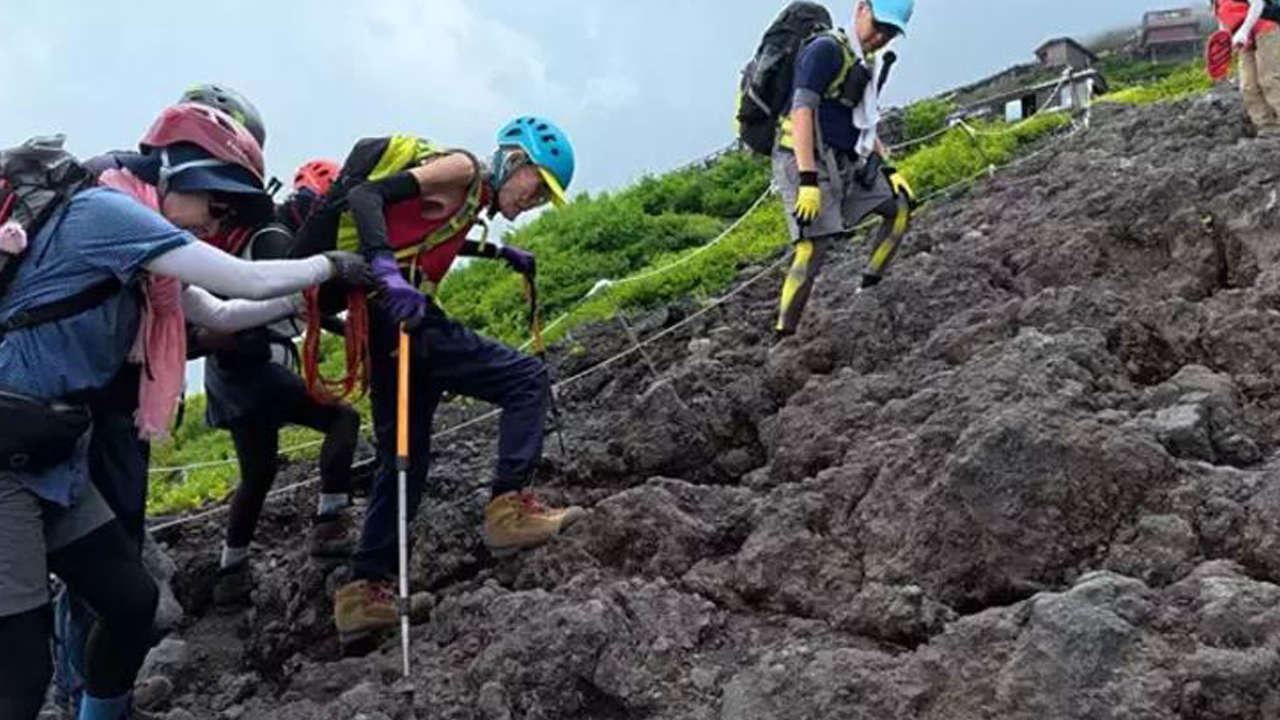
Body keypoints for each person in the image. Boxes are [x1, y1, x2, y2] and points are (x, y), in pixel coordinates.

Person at [0, 119, 372, 720]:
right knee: (20, 672)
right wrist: (329, 265)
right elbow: (244, 277)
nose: (217, 222)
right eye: (215, 202)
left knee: (130, 601)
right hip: (6, 466)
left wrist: (319, 294)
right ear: (180, 175)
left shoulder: (146, 265)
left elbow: (226, 310)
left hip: (52, 457)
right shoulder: (107, 215)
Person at [288, 117, 586, 645]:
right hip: (401, 312)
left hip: (384, 320)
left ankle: (362, 593)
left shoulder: (470, 203)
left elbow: (421, 233)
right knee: (525, 379)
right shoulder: (465, 169)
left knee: (404, 457)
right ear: (515, 161)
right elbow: (366, 197)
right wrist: (383, 268)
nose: (534, 200)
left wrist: (501, 254)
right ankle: (509, 508)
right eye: (536, 185)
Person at [202, 161, 361, 607]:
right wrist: (343, 325)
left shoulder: (252, 234)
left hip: (228, 370)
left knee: (258, 473)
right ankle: (331, 523)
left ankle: (231, 572)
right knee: (342, 418)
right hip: (257, 363)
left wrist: (338, 328)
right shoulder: (275, 238)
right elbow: (290, 297)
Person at [773, 0, 915, 337]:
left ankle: (868, 289)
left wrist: (889, 168)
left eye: (891, 32)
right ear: (861, 8)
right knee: (813, 247)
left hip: (847, 159)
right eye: (879, 25)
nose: (882, 36)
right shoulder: (825, 51)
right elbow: (802, 111)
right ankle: (783, 335)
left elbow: (865, 121)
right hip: (803, 157)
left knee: (900, 208)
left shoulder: (866, 60)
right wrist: (808, 179)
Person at [1216, 0, 1280, 135]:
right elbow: (1223, 21)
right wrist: (1226, 44)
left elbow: (1258, 4)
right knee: (1248, 85)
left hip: (1265, 29)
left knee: (1268, 79)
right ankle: (1267, 127)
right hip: (1242, 38)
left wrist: (1244, 31)